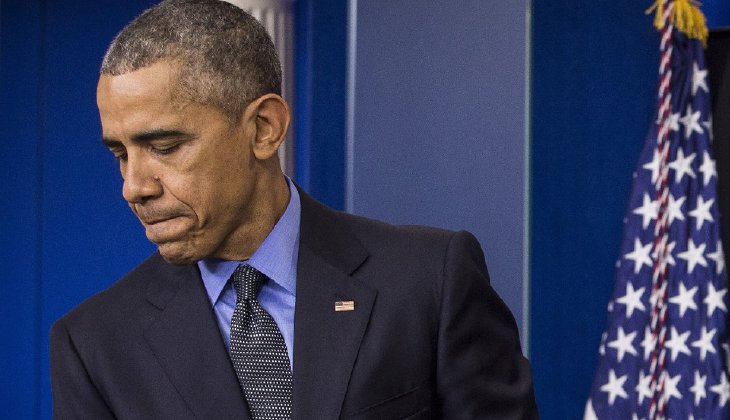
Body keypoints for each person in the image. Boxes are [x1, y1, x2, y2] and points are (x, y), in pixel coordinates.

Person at [50, 0, 538, 418]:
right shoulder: (94, 344)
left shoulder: (430, 280)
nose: (133, 187)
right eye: (120, 154)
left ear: (265, 128)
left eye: (164, 146)